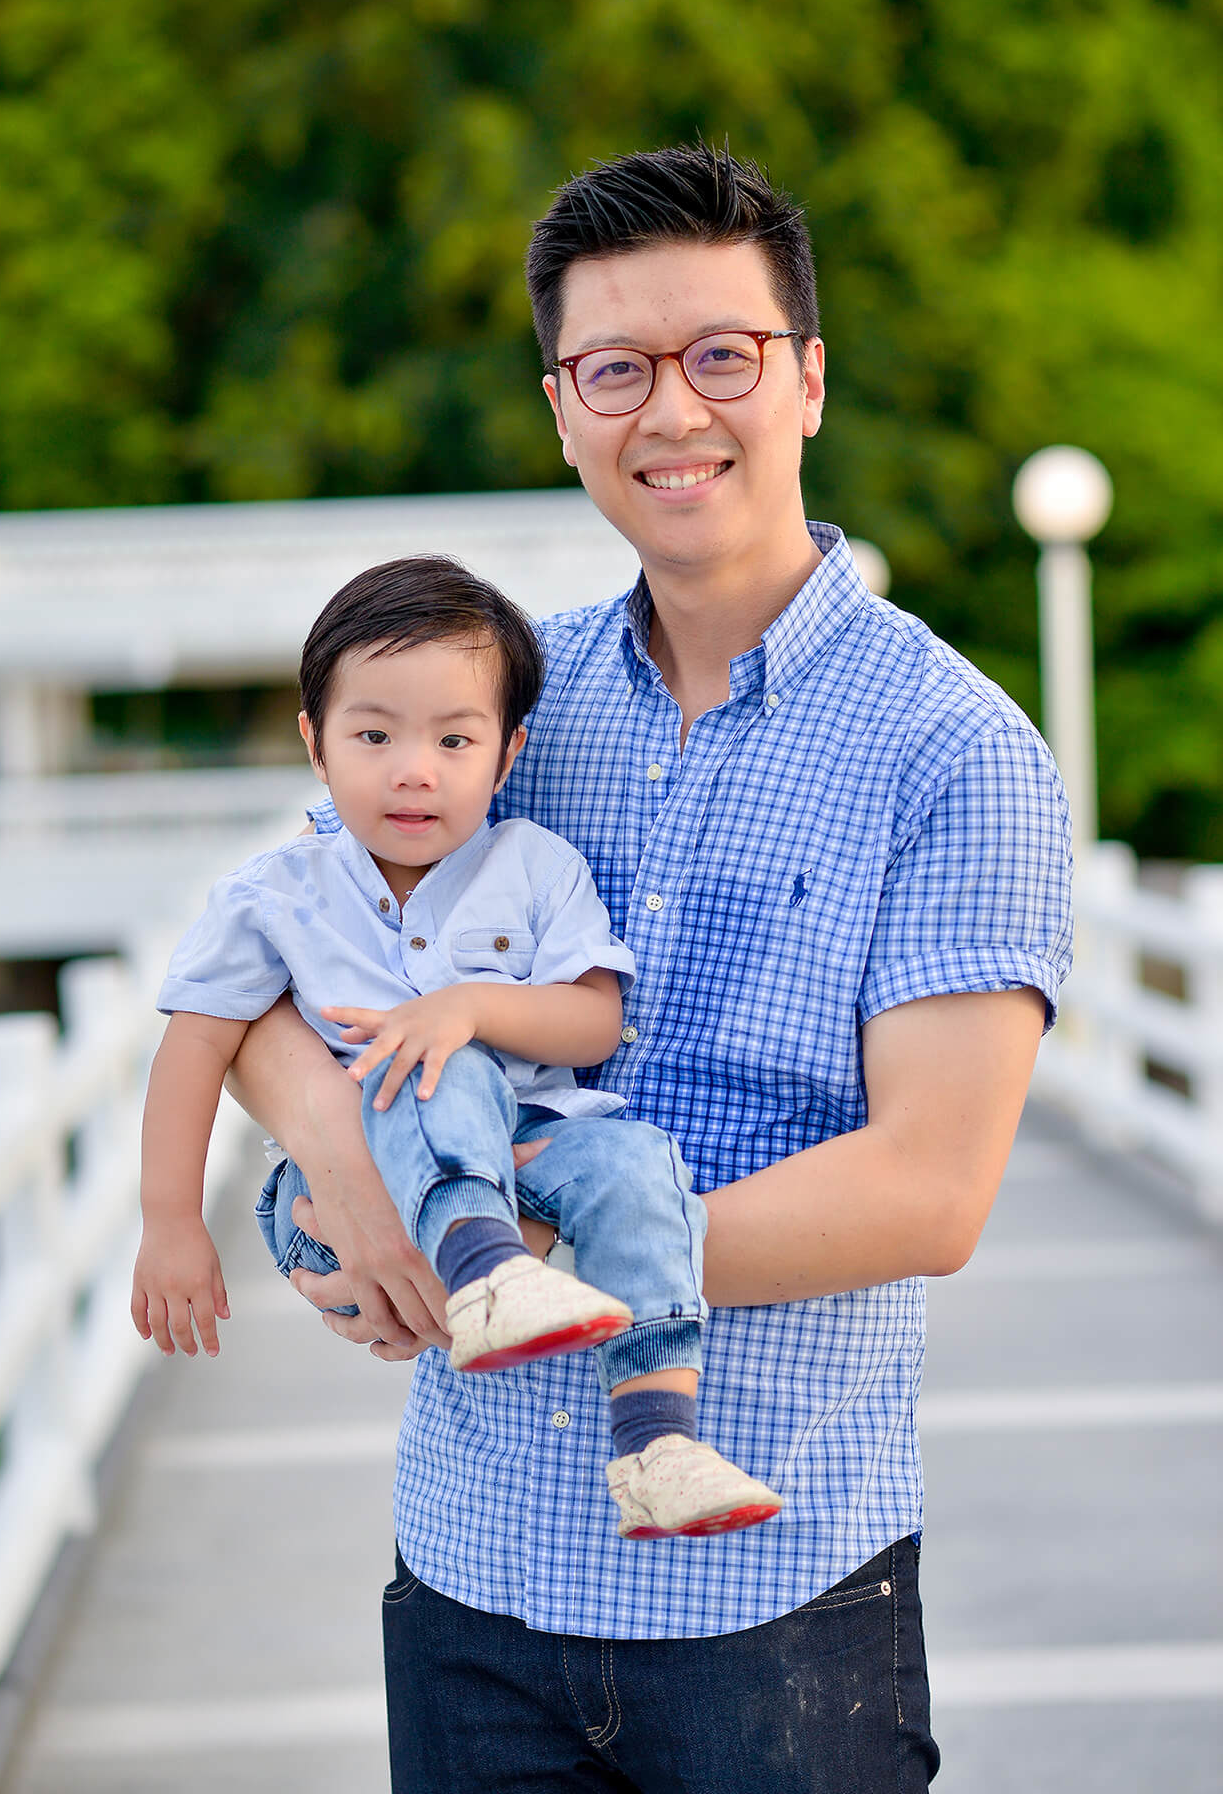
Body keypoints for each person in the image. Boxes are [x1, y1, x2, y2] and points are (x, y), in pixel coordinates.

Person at [226, 144, 1074, 1791]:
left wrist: (527, 1248)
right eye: (613, 369)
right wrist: (349, 1179)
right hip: (471, 1572)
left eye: (721, 357)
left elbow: (926, 1189)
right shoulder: (501, 711)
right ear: (561, 409)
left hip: (773, 1608)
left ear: (806, 380)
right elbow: (262, 975)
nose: (668, 412)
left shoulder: (952, 753)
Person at [131, 555, 783, 1539]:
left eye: (452, 737)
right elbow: (195, 1048)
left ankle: (655, 1438)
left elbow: (593, 1018)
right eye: (373, 733)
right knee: (434, 1068)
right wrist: (171, 1218)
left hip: (533, 1146)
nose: (413, 767)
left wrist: (471, 1004)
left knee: (638, 1164)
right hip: (348, 1187)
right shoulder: (274, 892)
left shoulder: (534, 866)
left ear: (507, 753)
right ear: (315, 741)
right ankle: (482, 1271)